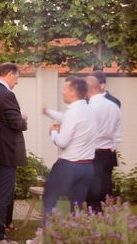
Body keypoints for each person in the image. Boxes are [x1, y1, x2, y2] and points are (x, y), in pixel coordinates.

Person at [39, 76, 97, 222]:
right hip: (87, 168)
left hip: (68, 166)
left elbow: (62, 142)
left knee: (50, 198)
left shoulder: (73, 113)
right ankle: (73, 238)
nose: (62, 92)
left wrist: (53, 132)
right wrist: (48, 112)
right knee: (76, 207)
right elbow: (65, 117)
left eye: (65, 89)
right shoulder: (89, 110)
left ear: (72, 92)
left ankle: (46, 238)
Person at [0, 63, 28, 244]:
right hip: (7, 152)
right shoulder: (6, 95)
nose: (17, 82)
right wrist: (23, 119)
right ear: (10, 74)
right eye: (17, 77)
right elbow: (15, 123)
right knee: (3, 194)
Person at [85, 71, 123, 207]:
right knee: (100, 189)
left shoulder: (111, 102)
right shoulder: (111, 106)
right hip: (106, 151)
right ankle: (99, 218)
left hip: (98, 152)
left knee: (98, 190)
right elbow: (118, 131)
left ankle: (95, 217)